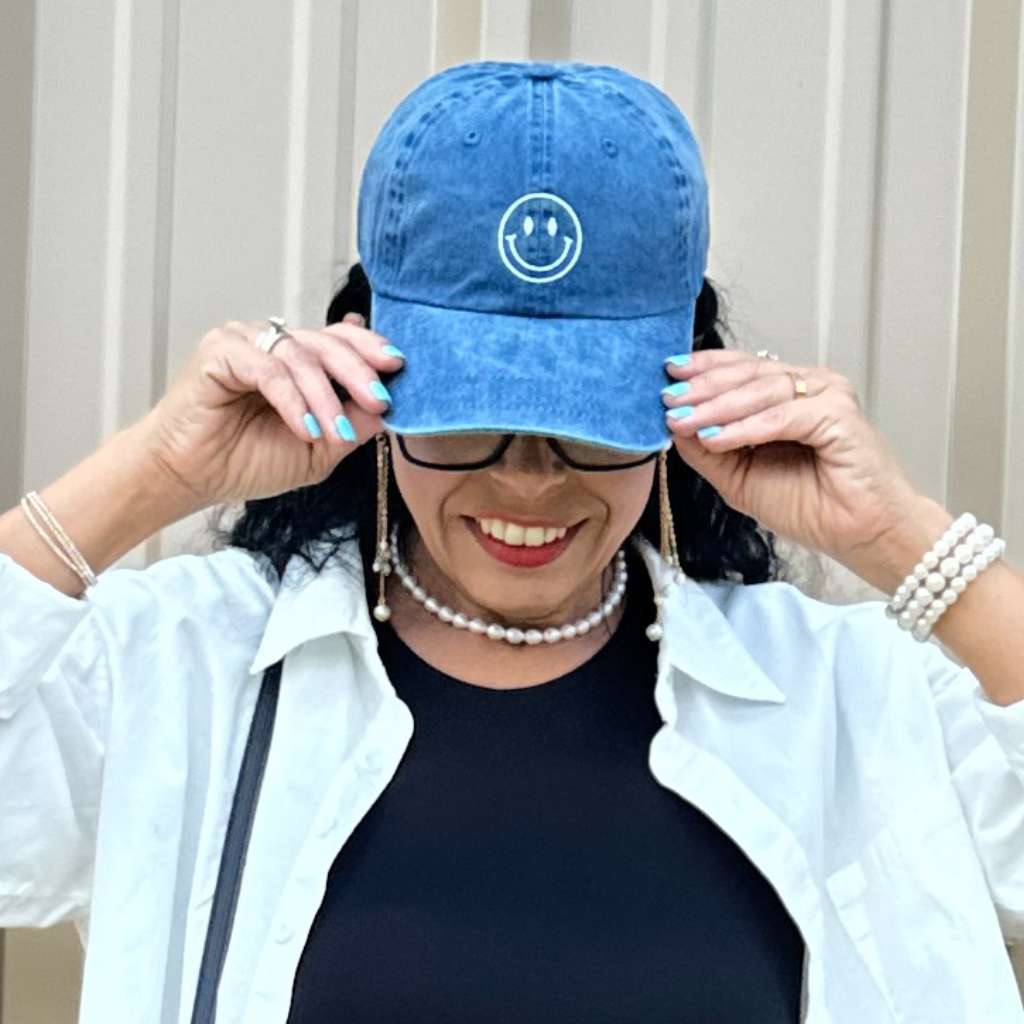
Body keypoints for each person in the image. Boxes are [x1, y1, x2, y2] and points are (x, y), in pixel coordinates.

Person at [1, 58, 1022, 1024]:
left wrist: (899, 536)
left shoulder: (838, 696)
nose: (528, 476)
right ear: (365, 376)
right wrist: (153, 472)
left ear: (688, 397)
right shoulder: (193, 668)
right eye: (465, 416)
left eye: (587, 422)